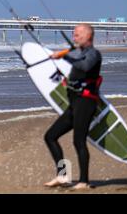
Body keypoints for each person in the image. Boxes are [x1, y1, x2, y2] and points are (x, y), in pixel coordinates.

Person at [44, 23, 102, 190]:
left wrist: (64, 56)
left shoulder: (94, 54)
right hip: (75, 103)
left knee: (78, 141)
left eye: (77, 34)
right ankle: (63, 176)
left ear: (88, 36)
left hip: (86, 102)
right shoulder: (79, 54)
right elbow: (76, 70)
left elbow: (84, 66)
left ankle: (84, 181)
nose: (74, 37)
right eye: (74, 34)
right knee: (50, 136)